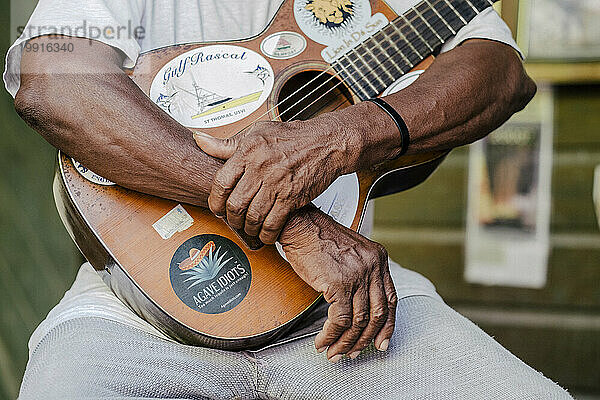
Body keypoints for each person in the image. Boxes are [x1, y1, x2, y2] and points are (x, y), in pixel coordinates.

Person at [4, 0, 572, 398]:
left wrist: (342, 135)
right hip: (133, 306)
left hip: (343, 308)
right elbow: (55, 79)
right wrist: (292, 220)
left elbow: (499, 70)